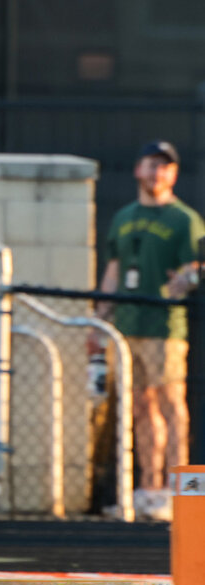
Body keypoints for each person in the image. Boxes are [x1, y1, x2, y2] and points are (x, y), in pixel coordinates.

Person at [90, 140, 205, 521]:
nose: (157, 172)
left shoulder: (184, 219)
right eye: (151, 164)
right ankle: (149, 488)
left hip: (164, 327)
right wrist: (101, 318)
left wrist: (188, 279)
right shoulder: (124, 216)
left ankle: (181, 492)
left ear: (173, 174)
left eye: (165, 166)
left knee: (173, 404)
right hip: (128, 327)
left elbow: (194, 266)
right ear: (138, 170)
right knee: (141, 407)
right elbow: (114, 270)